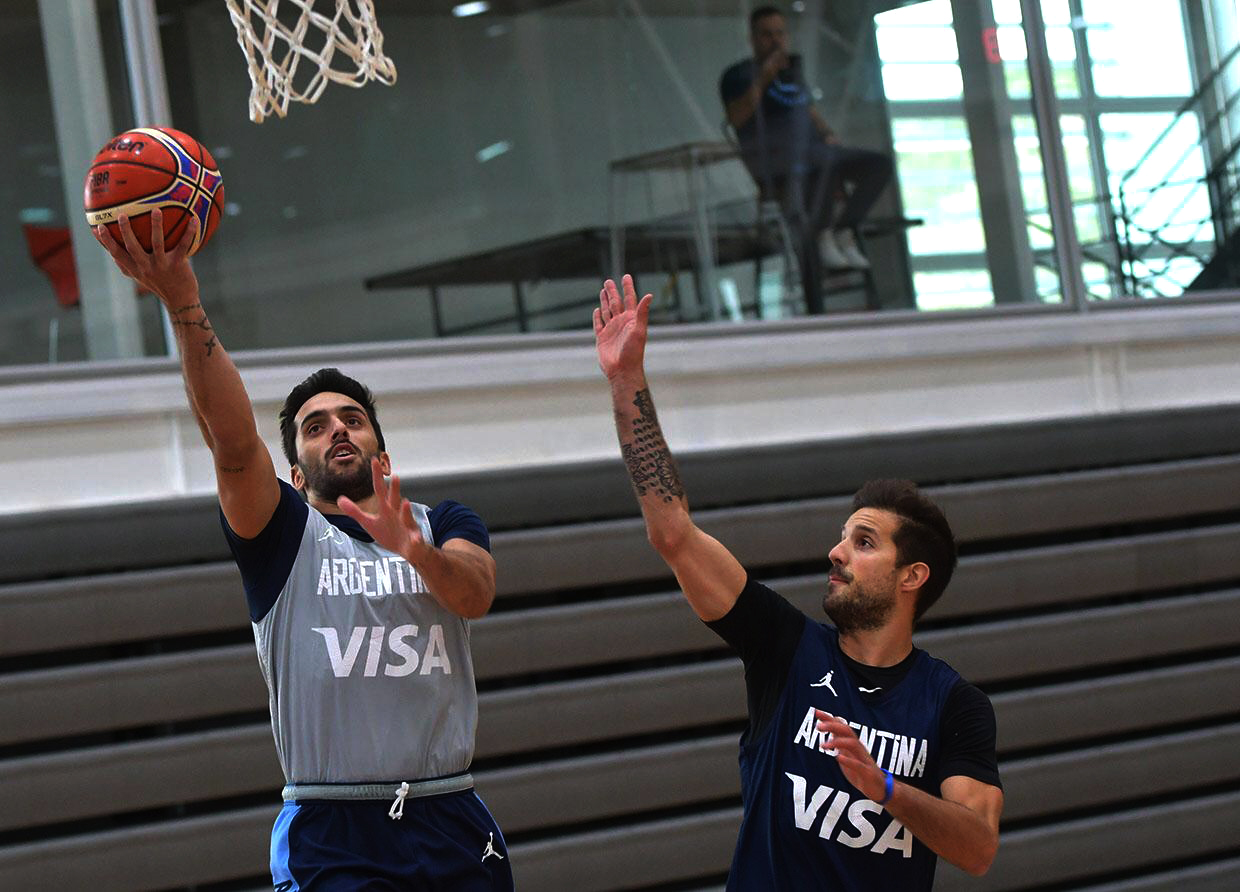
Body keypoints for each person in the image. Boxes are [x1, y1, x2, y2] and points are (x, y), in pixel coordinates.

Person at [93, 211, 513, 891]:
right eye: (315, 428)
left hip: (451, 814)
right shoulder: (284, 537)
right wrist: (182, 301)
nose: (338, 431)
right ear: (295, 471)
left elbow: (477, 594)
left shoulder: (445, 523)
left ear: (382, 447)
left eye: (353, 419)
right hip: (333, 827)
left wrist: (418, 553)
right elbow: (232, 446)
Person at [593, 274, 1003, 889]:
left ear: (912, 575)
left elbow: (977, 847)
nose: (836, 551)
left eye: (863, 542)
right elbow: (673, 534)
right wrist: (627, 381)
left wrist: (886, 787)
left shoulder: (953, 705)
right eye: (844, 537)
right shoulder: (784, 647)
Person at [721, 5, 894, 312]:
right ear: (752, 39)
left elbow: (809, 112)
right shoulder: (739, 75)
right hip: (781, 167)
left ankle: (841, 229)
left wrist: (827, 134)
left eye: (780, 34)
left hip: (818, 154)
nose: (775, 41)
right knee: (819, 167)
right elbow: (736, 118)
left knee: (878, 165)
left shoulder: (794, 72)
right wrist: (764, 77)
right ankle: (824, 234)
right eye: (766, 35)